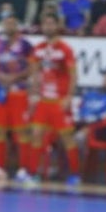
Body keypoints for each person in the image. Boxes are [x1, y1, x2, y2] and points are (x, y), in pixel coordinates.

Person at [23, 12, 81, 186]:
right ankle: (34, 173)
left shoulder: (65, 49)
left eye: (51, 24)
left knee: (67, 138)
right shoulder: (38, 48)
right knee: (36, 135)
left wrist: (69, 97)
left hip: (59, 100)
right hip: (43, 100)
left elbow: (73, 75)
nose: (48, 27)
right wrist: (33, 94)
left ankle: (75, 174)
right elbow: (33, 72)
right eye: (45, 24)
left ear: (57, 26)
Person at [0, 16, 33, 183]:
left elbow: (31, 68)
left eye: (12, 23)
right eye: (6, 23)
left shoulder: (25, 45)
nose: (8, 26)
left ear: (17, 26)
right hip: (1, 94)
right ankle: (0, 169)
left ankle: (23, 170)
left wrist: (14, 77)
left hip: (18, 92)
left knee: (21, 132)